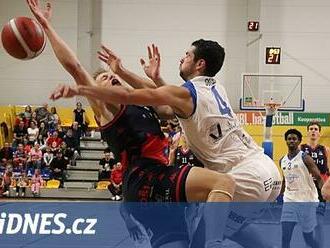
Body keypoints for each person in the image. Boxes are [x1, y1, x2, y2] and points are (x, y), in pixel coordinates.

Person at [27, 1, 236, 247]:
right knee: (222, 184)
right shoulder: (106, 107)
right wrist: (46, 26)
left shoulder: (140, 105)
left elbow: (168, 98)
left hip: (148, 185)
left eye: (111, 75)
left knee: (181, 242)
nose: (111, 77)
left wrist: (145, 75)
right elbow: (74, 67)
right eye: (104, 78)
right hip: (148, 178)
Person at [50, 37, 284, 246]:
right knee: (234, 226)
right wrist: (120, 74)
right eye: (103, 78)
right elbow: (167, 96)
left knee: (208, 224)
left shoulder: (173, 98)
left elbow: (152, 96)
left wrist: (81, 88)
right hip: (266, 173)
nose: (182, 58)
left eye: (187, 55)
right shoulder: (215, 88)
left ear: (199, 63)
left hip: (219, 175)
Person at [280, 129, 323, 248]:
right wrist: (276, 195)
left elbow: (318, 178)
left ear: (299, 141)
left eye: (294, 139)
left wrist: (323, 198)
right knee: (285, 237)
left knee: (308, 238)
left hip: (307, 201)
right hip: (289, 201)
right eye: (289, 139)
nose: (291, 141)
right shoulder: (282, 160)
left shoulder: (305, 158)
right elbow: (285, 180)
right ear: (286, 141)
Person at [300, 121, 329, 248]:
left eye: (316, 129)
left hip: (320, 188)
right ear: (307, 132)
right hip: (305, 188)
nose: (313, 131)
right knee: (307, 222)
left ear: (319, 132)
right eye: (311, 128)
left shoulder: (325, 150)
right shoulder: (300, 149)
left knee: (319, 221)